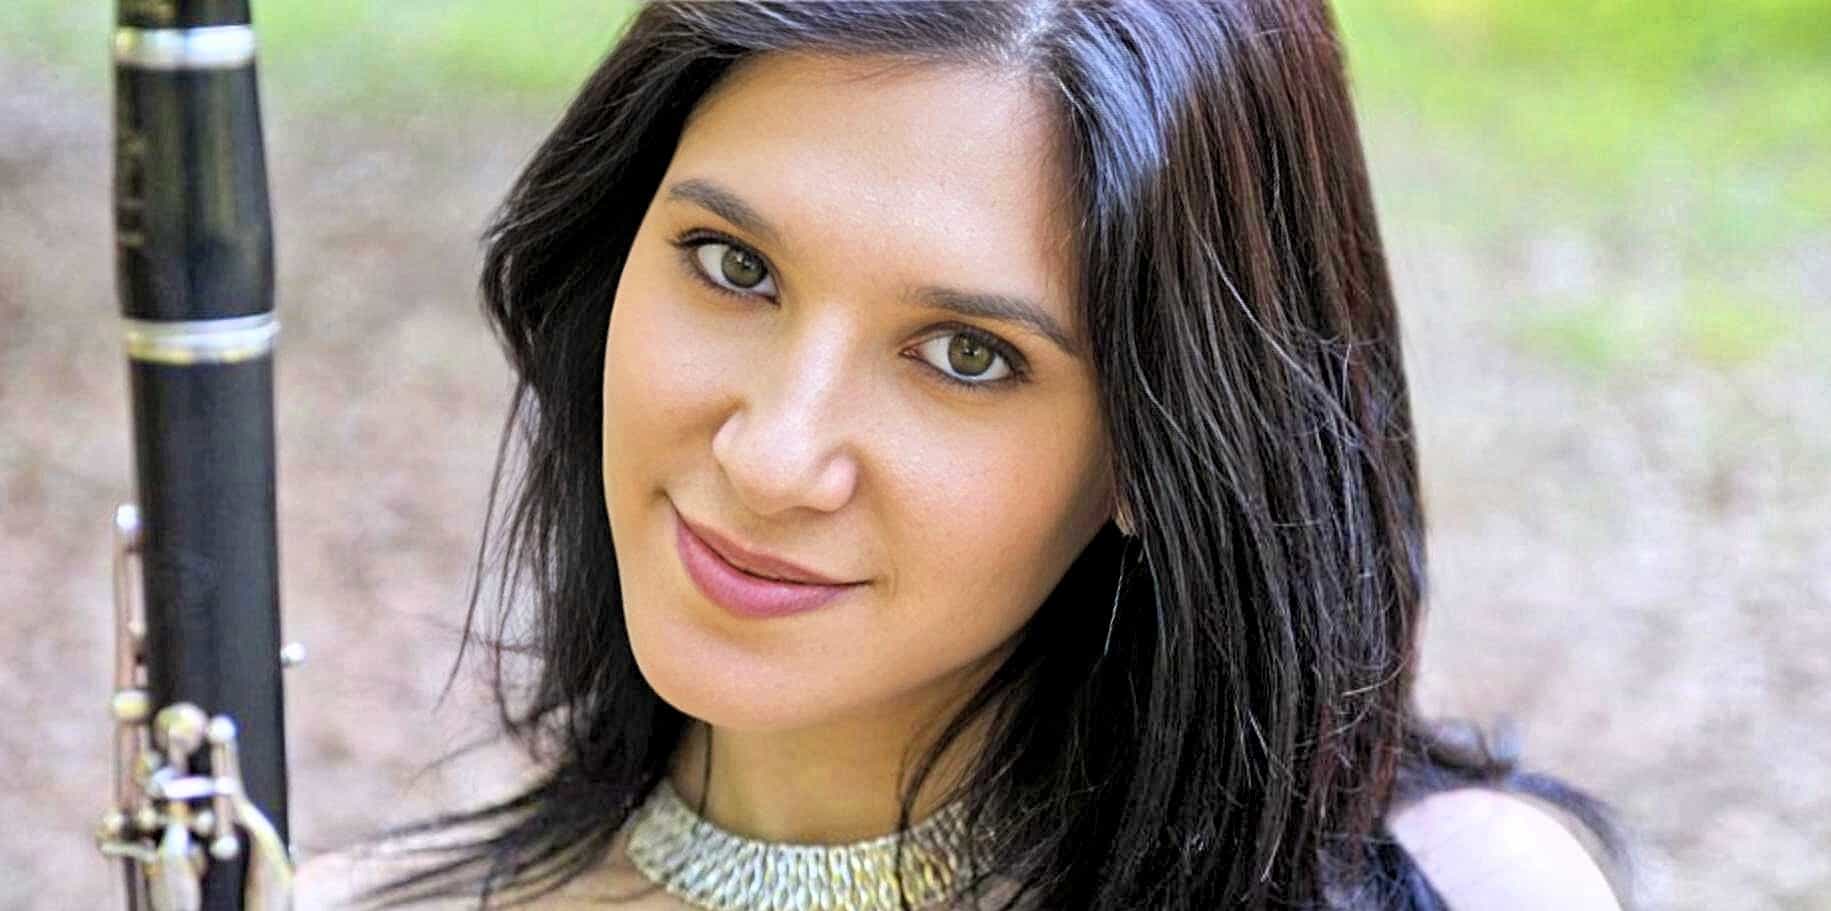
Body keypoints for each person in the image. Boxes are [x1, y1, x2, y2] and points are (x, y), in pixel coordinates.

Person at [297, 1, 1636, 908]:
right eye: (732, 266)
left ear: (1157, 451)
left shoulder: (1463, 890)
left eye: (966, 356)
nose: (774, 458)